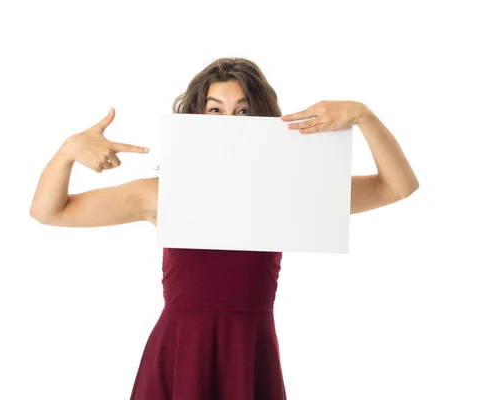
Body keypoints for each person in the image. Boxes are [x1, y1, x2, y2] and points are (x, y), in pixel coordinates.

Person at [29, 57, 419, 399]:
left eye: (243, 111)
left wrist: (365, 116)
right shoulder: (163, 194)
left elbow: (398, 186)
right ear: (196, 118)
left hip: (250, 355)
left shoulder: (287, 193)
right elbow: (50, 212)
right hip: (180, 354)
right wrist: (67, 153)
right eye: (215, 110)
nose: (229, 122)